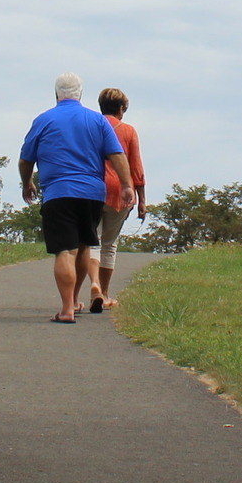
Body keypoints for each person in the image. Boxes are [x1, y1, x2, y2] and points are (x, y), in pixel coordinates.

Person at [19, 73, 131, 323]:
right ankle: (76, 300)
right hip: (91, 194)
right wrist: (126, 185)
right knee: (83, 246)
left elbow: (26, 158)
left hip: (58, 193)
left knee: (63, 251)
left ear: (57, 94)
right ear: (80, 94)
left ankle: (67, 308)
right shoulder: (97, 120)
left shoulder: (43, 120)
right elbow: (117, 154)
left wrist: (27, 183)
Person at [88, 87, 145, 314]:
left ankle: (93, 287)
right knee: (109, 245)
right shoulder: (128, 131)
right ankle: (105, 293)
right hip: (121, 191)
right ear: (121, 109)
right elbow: (136, 167)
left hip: (92, 189)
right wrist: (142, 200)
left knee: (93, 240)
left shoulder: (91, 126)